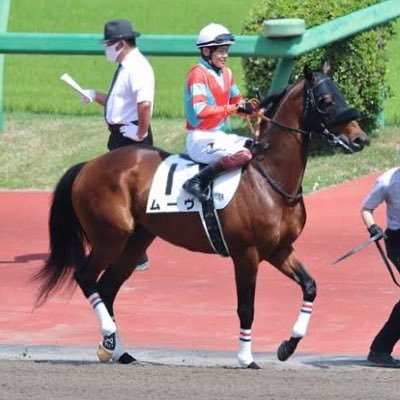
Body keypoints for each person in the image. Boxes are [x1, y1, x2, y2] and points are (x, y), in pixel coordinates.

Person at [80, 18, 155, 271]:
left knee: (124, 196)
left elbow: (144, 104)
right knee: (123, 196)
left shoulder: (137, 67)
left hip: (131, 138)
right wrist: (93, 95)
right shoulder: (126, 66)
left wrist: (140, 132)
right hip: (121, 135)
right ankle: (132, 254)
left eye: (109, 44)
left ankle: (132, 254)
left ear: (120, 43)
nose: (106, 49)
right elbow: (118, 104)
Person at [182, 23, 256, 202]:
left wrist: (249, 108)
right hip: (199, 139)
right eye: (221, 51)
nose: (225, 56)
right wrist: (234, 108)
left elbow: (237, 102)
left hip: (218, 136)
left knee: (257, 147)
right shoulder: (197, 75)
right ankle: (196, 182)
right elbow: (201, 111)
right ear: (207, 51)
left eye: (226, 51)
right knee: (244, 155)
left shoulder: (227, 73)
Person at [361, 167, 400, 368]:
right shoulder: (386, 181)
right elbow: (366, 208)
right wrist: (373, 227)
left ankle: (380, 349)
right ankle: (379, 350)